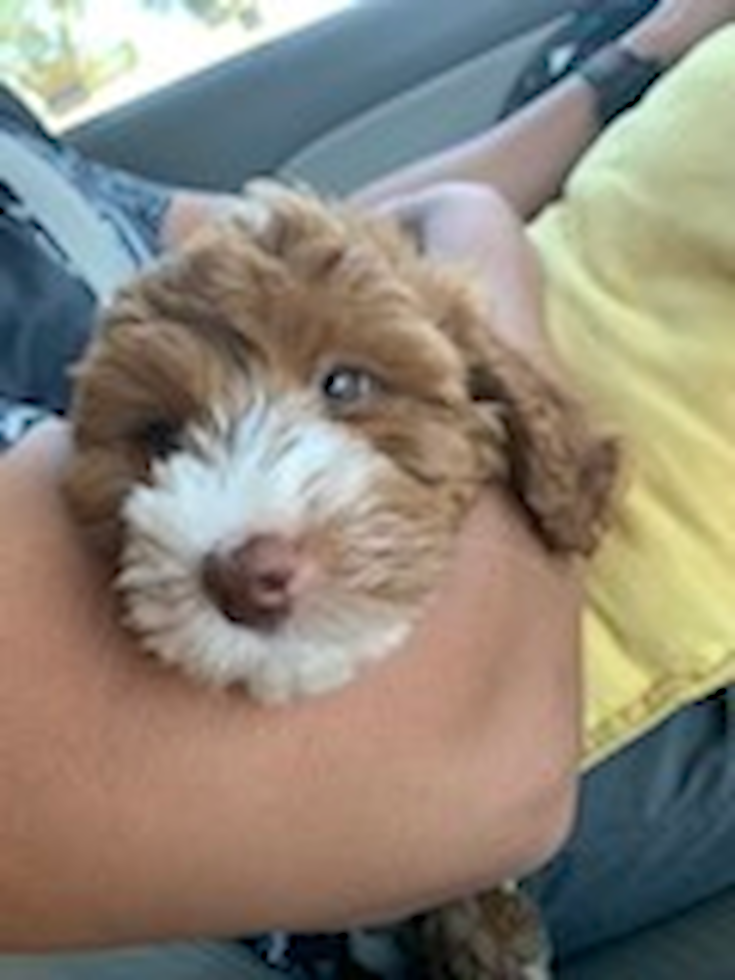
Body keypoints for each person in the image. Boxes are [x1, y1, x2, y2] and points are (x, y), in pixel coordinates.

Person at [0, 2, 733, 979]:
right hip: (426, 767)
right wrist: (477, 302)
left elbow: (323, 238)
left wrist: (627, 64)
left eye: (341, 386)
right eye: (165, 436)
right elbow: (487, 782)